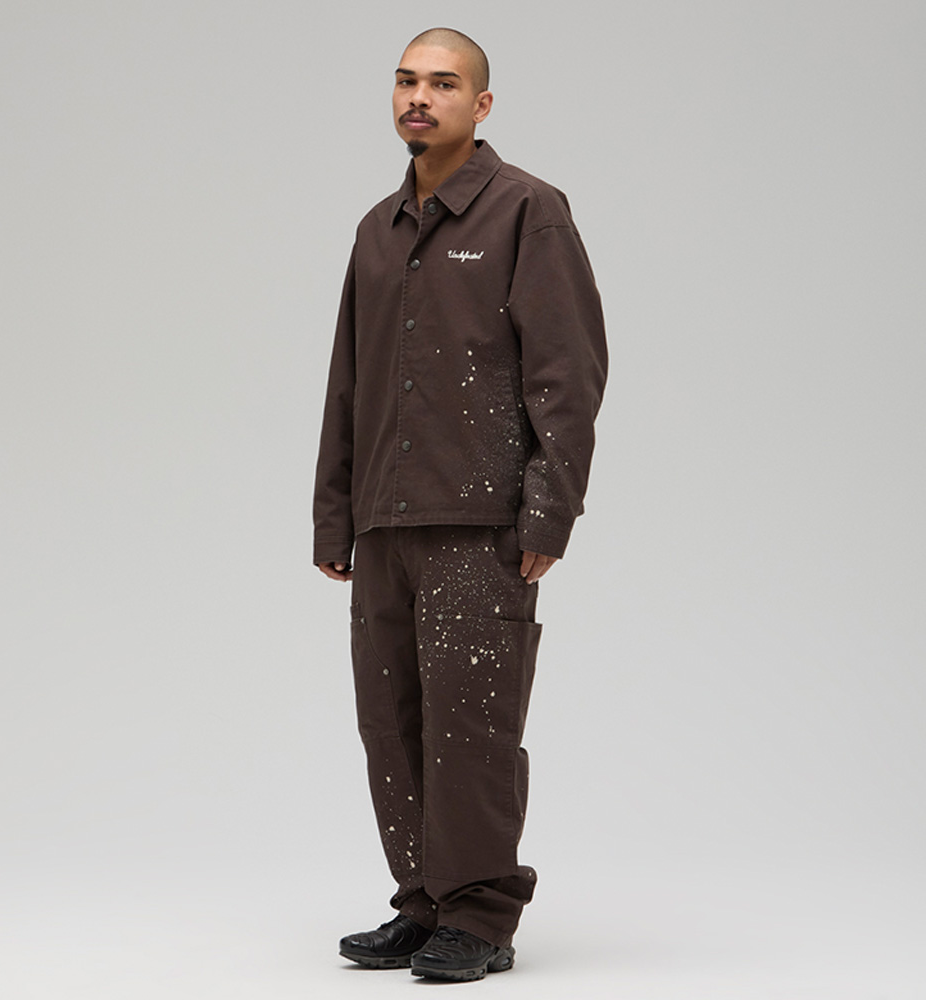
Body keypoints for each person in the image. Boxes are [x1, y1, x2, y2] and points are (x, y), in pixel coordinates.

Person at [312, 26, 608, 982]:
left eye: (443, 83)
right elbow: (348, 381)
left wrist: (548, 511)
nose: (419, 97)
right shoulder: (376, 229)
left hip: (481, 524)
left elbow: (568, 372)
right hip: (384, 521)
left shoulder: (528, 210)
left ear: (480, 105)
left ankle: (479, 914)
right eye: (406, 81)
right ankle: (424, 902)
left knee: (471, 726)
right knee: (390, 720)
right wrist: (334, 514)